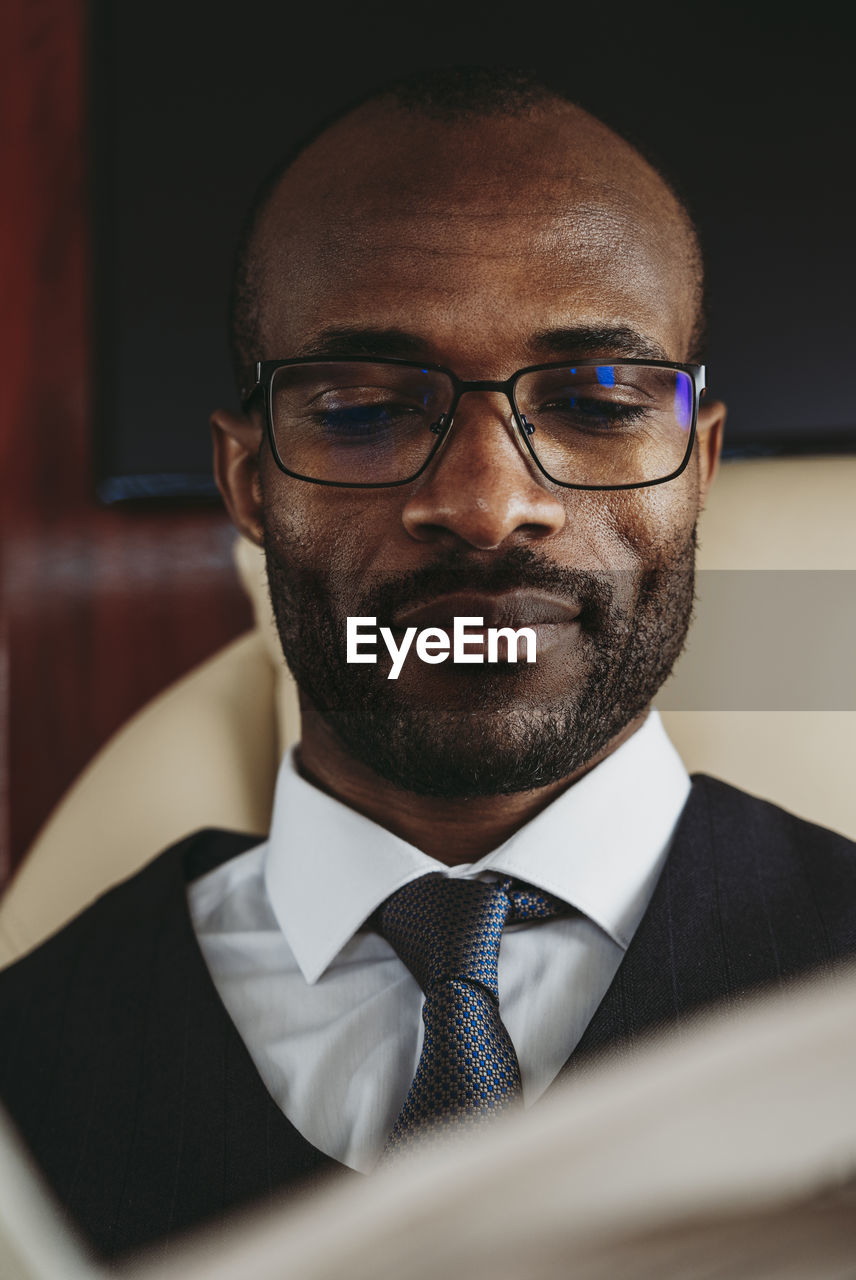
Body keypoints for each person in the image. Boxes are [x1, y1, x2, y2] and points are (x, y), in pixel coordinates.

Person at [1, 67, 854, 1261]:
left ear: (699, 465)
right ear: (249, 481)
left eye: (599, 400)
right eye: (360, 409)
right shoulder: (25, 1065)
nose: (488, 502)